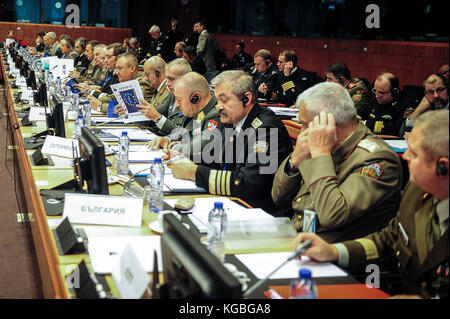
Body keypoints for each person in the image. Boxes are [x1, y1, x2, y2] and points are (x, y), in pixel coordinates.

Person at [293, 109, 449, 298]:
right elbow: (389, 240)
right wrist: (334, 251)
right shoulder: (417, 190)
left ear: (443, 167)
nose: (405, 156)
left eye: (414, 154)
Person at [271, 82, 403, 243]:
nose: (301, 132)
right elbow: (278, 198)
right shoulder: (320, 144)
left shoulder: (377, 160)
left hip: (334, 257)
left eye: (304, 124)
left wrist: (320, 155)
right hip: (297, 240)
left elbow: (333, 215)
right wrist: (294, 161)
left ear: (327, 123)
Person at [164, 70, 293, 214]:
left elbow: (248, 184)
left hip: (258, 212)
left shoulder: (267, 129)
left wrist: (195, 172)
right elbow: (215, 159)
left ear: (246, 99)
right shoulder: (231, 121)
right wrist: (184, 159)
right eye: (217, 100)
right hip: (232, 203)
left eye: (224, 100)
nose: (218, 106)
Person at [147, 72, 222, 158]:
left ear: (195, 98)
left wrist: (172, 146)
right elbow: (186, 132)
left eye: (179, 100)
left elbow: (196, 149)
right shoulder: (199, 108)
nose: (178, 105)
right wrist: (167, 139)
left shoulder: (216, 115)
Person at [126, 58, 192, 136]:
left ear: (186, 79)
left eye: (171, 79)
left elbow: (184, 135)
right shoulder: (172, 96)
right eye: (167, 79)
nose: (167, 83)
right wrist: (128, 113)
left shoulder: (193, 101)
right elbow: (150, 117)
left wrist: (158, 118)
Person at [88, 52, 153, 113]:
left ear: (132, 68)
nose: (117, 72)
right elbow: (115, 97)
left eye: (120, 68)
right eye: (116, 69)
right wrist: (94, 99)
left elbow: (131, 108)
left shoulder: (142, 83)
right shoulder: (127, 81)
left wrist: (100, 107)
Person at [358, 72, 406, 136]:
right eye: (375, 91)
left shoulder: (404, 104)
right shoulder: (376, 97)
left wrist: (366, 124)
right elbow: (361, 112)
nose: (376, 96)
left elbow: (396, 128)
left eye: (381, 93)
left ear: (394, 92)